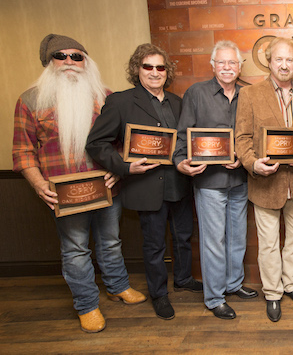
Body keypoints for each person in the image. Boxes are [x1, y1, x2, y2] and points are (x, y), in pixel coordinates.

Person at [12, 34, 146, 333]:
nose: (69, 62)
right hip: (64, 193)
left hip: (106, 186)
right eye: (61, 56)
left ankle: (117, 286)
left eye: (77, 56)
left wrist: (119, 168)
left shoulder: (106, 96)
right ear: (49, 62)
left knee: (111, 242)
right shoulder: (31, 100)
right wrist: (38, 184)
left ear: (86, 61)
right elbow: (22, 151)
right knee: (75, 249)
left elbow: (126, 140)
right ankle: (87, 305)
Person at [86, 43, 202, 321]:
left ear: (167, 71)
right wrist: (124, 167)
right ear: (137, 70)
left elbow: (186, 139)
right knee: (154, 245)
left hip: (180, 182)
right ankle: (159, 294)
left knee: (184, 236)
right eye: (147, 66)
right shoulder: (121, 102)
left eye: (160, 67)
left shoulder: (178, 102)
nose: (154, 72)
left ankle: (183, 278)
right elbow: (96, 143)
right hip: (146, 186)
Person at [235, 37, 293, 323]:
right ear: (269, 62)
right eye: (279, 60)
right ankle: (272, 293)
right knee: (269, 242)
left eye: (290, 60)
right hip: (265, 183)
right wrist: (253, 164)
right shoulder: (249, 95)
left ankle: (291, 285)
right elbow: (242, 138)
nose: (284, 65)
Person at [173, 40, 258, 320]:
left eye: (232, 62)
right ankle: (214, 298)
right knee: (213, 242)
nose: (226, 67)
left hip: (240, 179)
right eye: (221, 62)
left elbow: (254, 136)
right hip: (209, 181)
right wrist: (181, 161)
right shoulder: (196, 93)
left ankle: (233, 284)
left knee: (237, 238)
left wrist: (245, 157)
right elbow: (183, 136)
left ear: (240, 66)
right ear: (212, 65)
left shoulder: (248, 95)